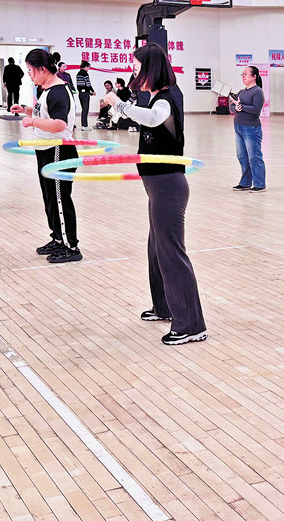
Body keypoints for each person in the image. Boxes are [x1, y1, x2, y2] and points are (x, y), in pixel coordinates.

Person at [109, 43, 208, 344]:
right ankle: (164, 306)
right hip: (156, 185)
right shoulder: (153, 97)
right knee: (156, 250)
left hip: (168, 186)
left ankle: (191, 324)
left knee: (171, 253)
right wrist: (119, 110)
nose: (133, 73)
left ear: (151, 69)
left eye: (137, 68)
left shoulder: (167, 98)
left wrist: (120, 105)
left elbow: (153, 118)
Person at [14, 48, 83, 262]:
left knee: (60, 200)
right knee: (50, 199)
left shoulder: (58, 91)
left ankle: (71, 247)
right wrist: (25, 110)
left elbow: (59, 124)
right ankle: (58, 238)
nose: (29, 75)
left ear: (42, 69)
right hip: (46, 150)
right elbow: (44, 113)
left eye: (30, 70)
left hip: (58, 151)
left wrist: (32, 121)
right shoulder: (47, 89)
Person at [230, 65, 266, 192]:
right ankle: (245, 182)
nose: (243, 76)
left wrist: (241, 106)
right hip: (239, 127)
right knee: (242, 156)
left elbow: (256, 109)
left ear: (254, 76)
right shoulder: (241, 92)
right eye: (243, 74)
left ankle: (259, 184)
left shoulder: (257, 92)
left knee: (254, 157)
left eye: (246, 74)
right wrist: (236, 107)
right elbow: (232, 107)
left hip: (251, 128)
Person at [76, 60, 95, 132]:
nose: (89, 69)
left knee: (83, 109)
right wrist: (92, 91)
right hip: (85, 94)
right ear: (86, 67)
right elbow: (88, 84)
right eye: (88, 67)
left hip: (81, 93)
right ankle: (84, 125)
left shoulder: (78, 74)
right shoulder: (85, 74)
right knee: (85, 109)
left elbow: (79, 86)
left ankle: (83, 125)